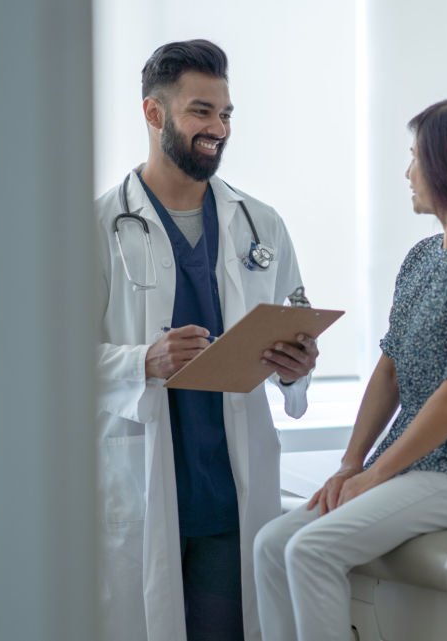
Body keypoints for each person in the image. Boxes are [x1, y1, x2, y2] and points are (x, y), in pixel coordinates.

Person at [253, 96, 447, 641]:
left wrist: (377, 473)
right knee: (272, 543)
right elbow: (389, 369)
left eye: (415, 156)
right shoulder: (423, 257)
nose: (407, 171)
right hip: (425, 465)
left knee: (313, 549)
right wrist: (350, 463)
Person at [95, 40, 318, 641]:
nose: (217, 128)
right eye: (201, 112)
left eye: (225, 114)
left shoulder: (260, 222)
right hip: (141, 482)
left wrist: (296, 366)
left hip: (228, 492)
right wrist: (144, 359)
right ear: (153, 114)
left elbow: (292, 322)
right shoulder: (96, 225)